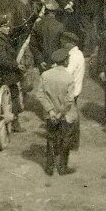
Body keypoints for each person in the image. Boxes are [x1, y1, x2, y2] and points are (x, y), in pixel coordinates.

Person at [34, 48, 77, 176]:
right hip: (65, 115)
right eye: (67, 59)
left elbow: (40, 95)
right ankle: (62, 168)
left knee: (51, 139)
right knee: (65, 140)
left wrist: (51, 111)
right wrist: (60, 113)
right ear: (64, 61)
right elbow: (69, 101)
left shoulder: (45, 75)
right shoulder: (69, 78)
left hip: (50, 115)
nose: (69, 61)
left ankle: (49, 167)